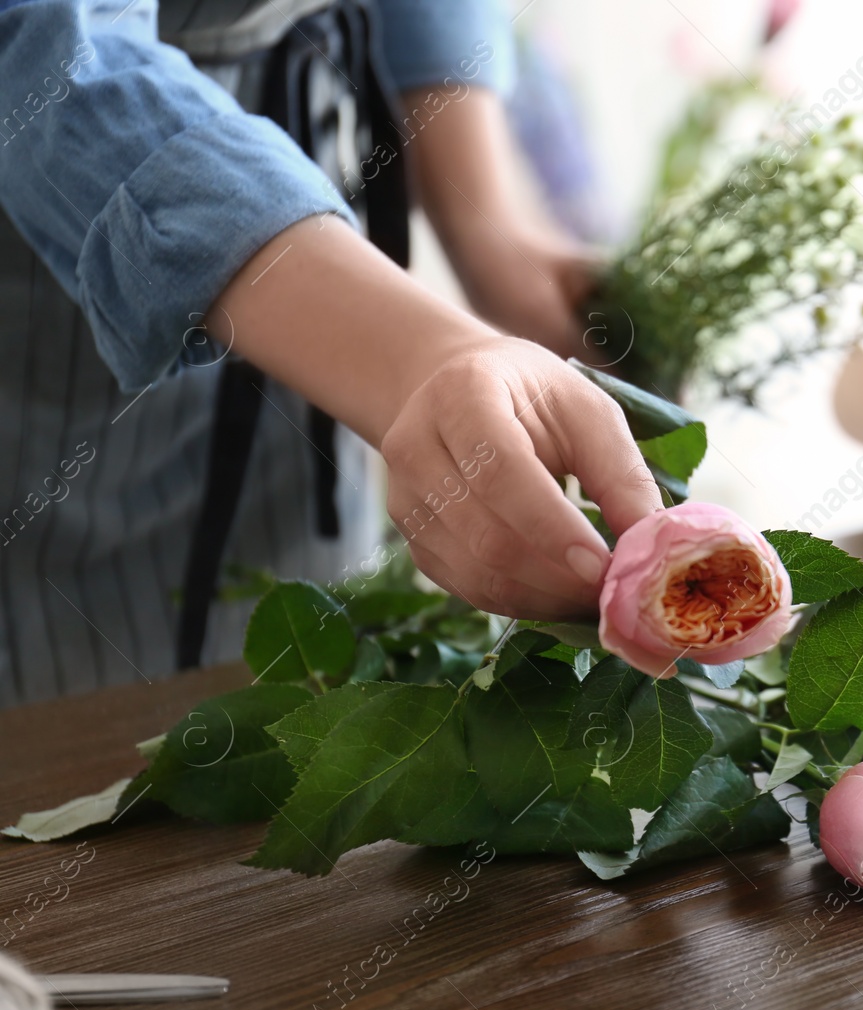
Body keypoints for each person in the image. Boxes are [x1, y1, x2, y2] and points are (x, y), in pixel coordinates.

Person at [0, 0, 662, 707]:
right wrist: (414, 355)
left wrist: (485, 224)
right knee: (65, 759)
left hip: (322, 251)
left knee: (292, 721)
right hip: (57, 243)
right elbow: (42, 41)